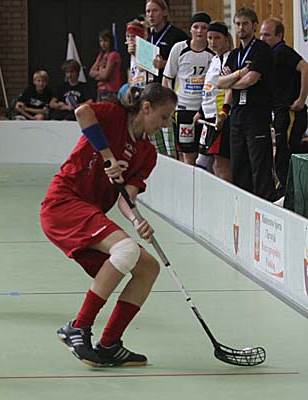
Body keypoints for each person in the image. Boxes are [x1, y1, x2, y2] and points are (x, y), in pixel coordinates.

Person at [40, 83, 177, 367]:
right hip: (64, 202)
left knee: (148, 268)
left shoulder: (147, 153)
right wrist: (107, 155)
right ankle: (78, 327)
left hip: (89, 211)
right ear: (146, 107)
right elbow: (82, 112)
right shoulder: (114, 116)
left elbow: (127, 198)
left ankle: (110, 344)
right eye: (163, 117)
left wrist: (137, 220)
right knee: (126, 250)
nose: (164, 125)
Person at [217, 8, 277, 201]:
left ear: (254, 25)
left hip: (256, 116)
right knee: (239, 167)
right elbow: (219, 82)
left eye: (245, 24)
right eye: (237, 24)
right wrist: (239, 73)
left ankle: (265, 206)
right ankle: (242, 207)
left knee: (259, 167)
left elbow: (251, 79)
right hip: (237, 117)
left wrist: (232, 81)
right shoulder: (234, 55)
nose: (240, 28)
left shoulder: (261, 50)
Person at [260, 18, 308, 193]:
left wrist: (301, 99)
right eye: (261, 35)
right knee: (280, 154)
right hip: (279, 111)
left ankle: (291, 194)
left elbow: (305, 68)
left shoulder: (283, 52)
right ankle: (286, 191)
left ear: (279, 36)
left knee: (285, 154)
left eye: (267, 35)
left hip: (290, 111)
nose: (263, 39)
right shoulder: (270, 54)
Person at [162, 12, 214, 165]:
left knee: (206, 155)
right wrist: (170, 106)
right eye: (196, 27)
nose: (199, 31)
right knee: (187, 155)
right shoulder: (179, 48)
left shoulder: (212, 53)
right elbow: (167, 78)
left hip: (205, 110)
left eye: (204, 28)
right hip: (184, 109)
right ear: (190, 29)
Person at [145, 0, 189, 158]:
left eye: (154, 10)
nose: (151, 15)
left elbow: (186, 65)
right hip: (151, 95)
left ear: (164, 12)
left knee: (172, 146)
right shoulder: (149, 36)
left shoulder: (177, 36)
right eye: (148, 11)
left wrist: (165, 64)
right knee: (156, 146)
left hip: (168, 97)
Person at [194, 21, 233, 181]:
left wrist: (224, 112)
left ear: (226, 39)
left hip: (220, 117)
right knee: (202, 162)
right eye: (209, 38)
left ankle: (227, 193)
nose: (212, 42)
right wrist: (200, 112)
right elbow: (209, 89)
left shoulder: (229, 58)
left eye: (217, 38)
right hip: (208, 117)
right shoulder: (214, 59)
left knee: (221, 163)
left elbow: (230, 88)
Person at [89, 29, 122, 102]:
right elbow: (91, 72)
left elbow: (105, 76)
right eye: (101, 41)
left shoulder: (113, 55)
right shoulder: (101, 55)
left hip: (111, 91)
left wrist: (98, 75)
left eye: (106, 41)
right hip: (100, 90)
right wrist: (101, 72)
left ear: (110, 41)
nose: (103, 44)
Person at [125, 18, 150, 89]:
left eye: (133, 36)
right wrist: (129, 87)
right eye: (128, 36)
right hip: (135, 87)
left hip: (145, 87)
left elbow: (142, 68)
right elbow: (132, 71)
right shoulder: (132, 51)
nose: (130, 39)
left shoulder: (147, 49)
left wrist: (135, 54)